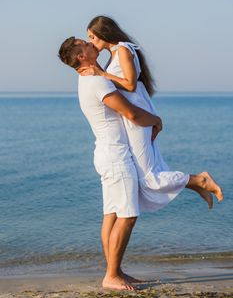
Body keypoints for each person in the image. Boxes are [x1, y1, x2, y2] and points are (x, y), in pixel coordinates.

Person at [58, 37, 223, 291]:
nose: (93, 46)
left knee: (111, 216)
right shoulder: (96, 81)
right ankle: (111, 275)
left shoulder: (86, 81)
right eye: (86, 44)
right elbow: (131, 113)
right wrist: (156, 120)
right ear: (80, 56)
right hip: (116, 157)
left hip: (106, 155)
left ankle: (115, 272)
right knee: (127, 215)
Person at [81, 15, 223, 211]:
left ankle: (200, 180)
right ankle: (196, 184)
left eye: (92, 37)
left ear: (104, 33)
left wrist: (102, 74)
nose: (91, 42)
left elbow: (130, 85)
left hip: (138, 115)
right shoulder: (114, 54)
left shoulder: (122, 49)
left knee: (149, 178)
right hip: (134, 115)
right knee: (147, 173)